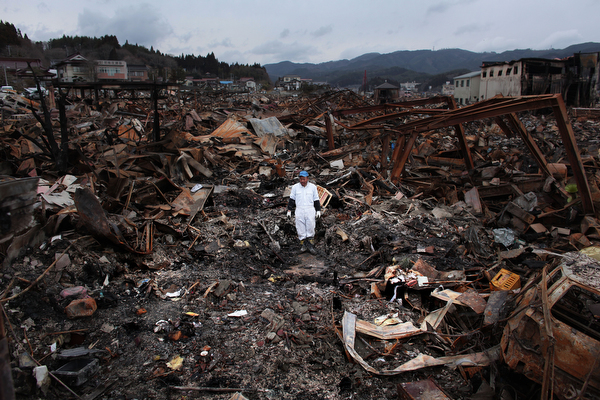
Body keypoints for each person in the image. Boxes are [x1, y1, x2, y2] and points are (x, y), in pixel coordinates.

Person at [286, 170, 321, 254]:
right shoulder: (295, 187)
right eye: (301, 179)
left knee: (310, 226)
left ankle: (310, 246)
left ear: (307, 179)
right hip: (299, 210)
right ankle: (303, 246)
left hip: (310, 209)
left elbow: (316, 199)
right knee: (300, 227)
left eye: (304, 179)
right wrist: (289, 210)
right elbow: (292, 199)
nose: (302, 181)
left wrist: (318, 210)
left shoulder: (313, 187)